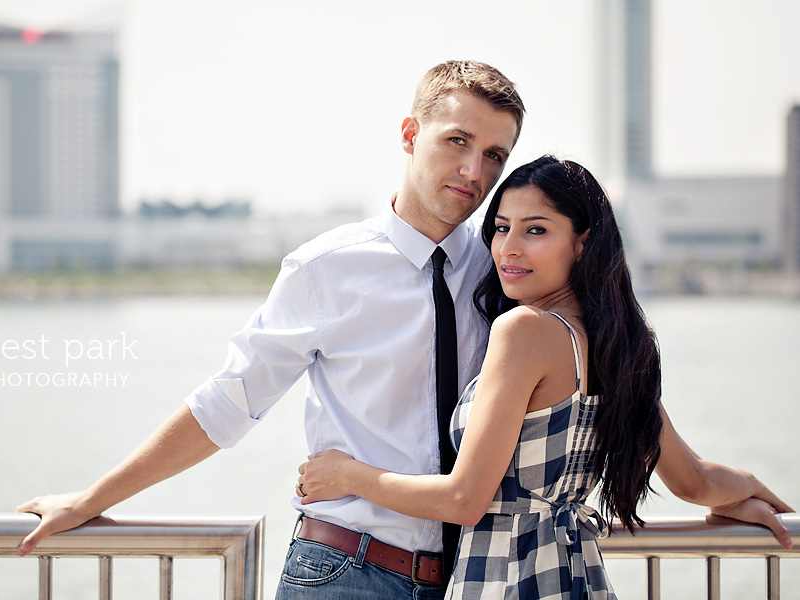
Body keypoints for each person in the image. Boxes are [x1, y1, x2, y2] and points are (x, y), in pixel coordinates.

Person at [16, 60, 526, 599]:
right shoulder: (324, 269)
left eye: (494, 155)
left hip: (480, 578)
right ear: (410, 134)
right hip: (346, 574)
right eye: (457, 141)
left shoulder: (506, 271)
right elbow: (227, 404)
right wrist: (91, 500)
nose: (474, 171)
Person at [296, 156, 794, 599]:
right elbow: (695, 481)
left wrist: (346, 474)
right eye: (501, 227)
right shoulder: (617, 346)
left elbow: (464, 499)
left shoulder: (524, 331)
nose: (509, 248)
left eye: (536, 230)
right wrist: (752, 495)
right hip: (576, 578)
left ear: (583, 243)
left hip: (506, 580)